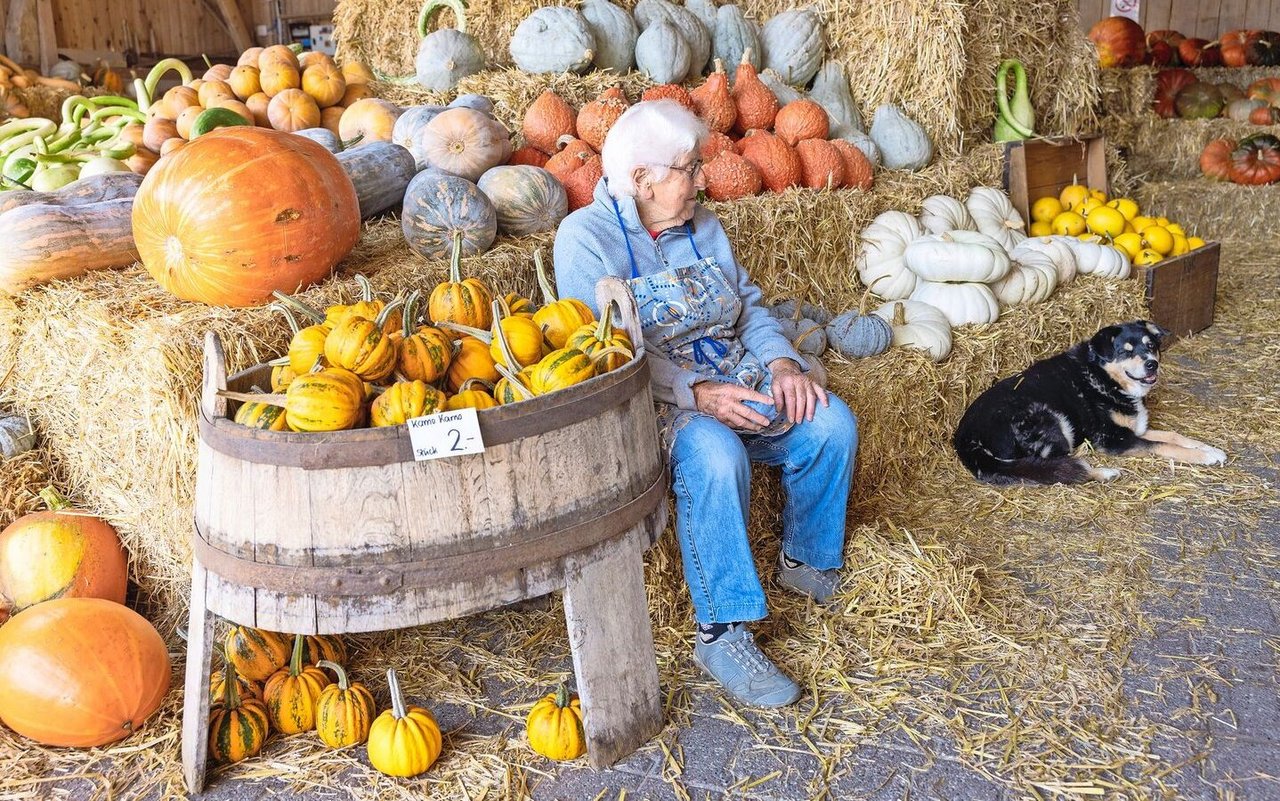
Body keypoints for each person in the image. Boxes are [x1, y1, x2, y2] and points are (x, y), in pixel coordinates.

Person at [552, 101, 858, 708]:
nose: (703, 181)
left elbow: (748, 308)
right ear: (643, 179)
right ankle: (722, 632)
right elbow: (603, 351)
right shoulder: (584, 239)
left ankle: (807, 562)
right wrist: (696, 394)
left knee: (829, 423)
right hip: (655, 399)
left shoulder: (706, 229)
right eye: (690, 169)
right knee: (715, 455)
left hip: (735, 376)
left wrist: (781, 363)